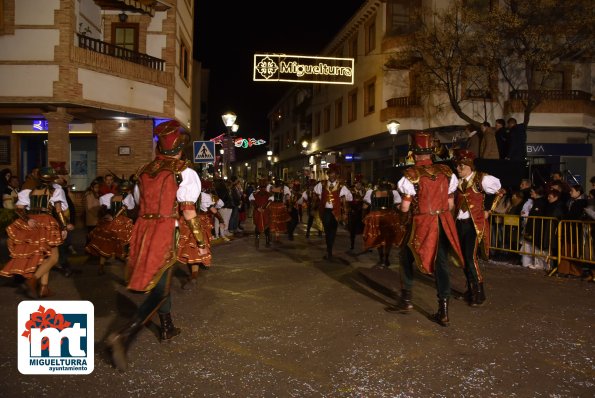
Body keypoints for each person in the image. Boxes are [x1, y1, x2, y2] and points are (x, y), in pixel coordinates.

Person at [106, 120, 203, 371]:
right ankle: (124, 335)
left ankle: (167, 327)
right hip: (165, 232)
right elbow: (189, 212)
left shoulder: (143, 171)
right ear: (181, 148)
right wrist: (201, 243)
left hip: (144, 230)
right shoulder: (184, 172)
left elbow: (135, 204)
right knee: (159, 289)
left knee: (162, 281)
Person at [392, 131, 464, 326]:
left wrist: (402, 215)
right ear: (431, 153)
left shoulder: (410, 175)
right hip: (442, 222)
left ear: (414, 154)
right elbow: (450, 205)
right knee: (441, 264)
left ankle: (406, 300)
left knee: (405, 256)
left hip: (421, 223)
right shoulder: (447, 172)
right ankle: (444, 311)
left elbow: (405, 207)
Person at [0, 167, 68, 298]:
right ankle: (32, 280)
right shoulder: (55, 190)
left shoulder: (29, 191)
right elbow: (58, 210)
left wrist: (28, 219)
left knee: (45, 256)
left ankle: (44, 288)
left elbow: (19, 209)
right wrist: (64, 227)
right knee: (54, 257)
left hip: (32, 221)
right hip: (46, 222)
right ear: (52, 179)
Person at [453, 149, 503, 306]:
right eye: (457, 166)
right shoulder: (458, 182)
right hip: (459, 224)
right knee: (463, 259)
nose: (458, 169)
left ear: (468, 165)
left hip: (474, 224)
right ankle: (470, 289)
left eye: (461, 166)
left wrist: (490, 210)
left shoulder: (481, 178)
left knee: (470, 257)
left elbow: (500, 192)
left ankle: (479, 293)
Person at [177, 178, 222, 288]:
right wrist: (221, 220)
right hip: (199, 222)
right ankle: (194, 274)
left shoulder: (181, 193)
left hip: (185, 222)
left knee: (186, 246)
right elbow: (214, 209)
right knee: (197, 246)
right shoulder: (205, 196)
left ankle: (193, 273)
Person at [85, 180, 135, 275]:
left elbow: (105, 208)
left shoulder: (112, 197)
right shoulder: (129, 197)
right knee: (125, 247)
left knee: (105, 245)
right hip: (122, 222)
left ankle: (101, 267)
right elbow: (129, 209)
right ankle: (126, 275)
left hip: (110, 222)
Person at [313, 164, 352, 260]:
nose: (332, 176)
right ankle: (329, 249)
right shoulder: (321, 184)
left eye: (334, 174)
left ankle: (329, 248)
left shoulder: (341, 186)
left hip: (335, 211)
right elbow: (315, 194)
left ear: (336, 175)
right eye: (330, 174)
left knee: (333, 231)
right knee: (327, 230)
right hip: (326, 211)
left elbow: (349, 197)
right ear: (328, 175)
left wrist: (344, 206)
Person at [362, 177, 402, 267]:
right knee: (388, 238)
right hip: (389, 216)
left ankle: (381, 258)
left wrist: (364, 217)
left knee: (379, 237)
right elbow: (399, 206)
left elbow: (365, 207)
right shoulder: (393, 193)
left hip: (375, 217)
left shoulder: (371, 192)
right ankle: (386, 258)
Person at [250, 178, 273, 248]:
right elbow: (270, 201)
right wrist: (262, 208)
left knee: (260, 225)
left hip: (260, 211)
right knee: (265, 225)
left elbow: (252, 201)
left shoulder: (254, 193)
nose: (263, 188)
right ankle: (266, 240)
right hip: (263, 211)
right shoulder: (268, 194)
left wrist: (259, 208)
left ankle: (259, 239)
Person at [347, 175, 367, 251]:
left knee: (364, 230)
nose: (358, 185)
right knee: (352, 230)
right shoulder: (351, 191)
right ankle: (352, 245)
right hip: (353, 213)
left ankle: (366, 246)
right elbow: (349, 201)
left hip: (362, 213)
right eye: (357, 183)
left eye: (360, 184)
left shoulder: (364, 191)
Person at [268, 179, 291, 243]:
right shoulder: (283, 188)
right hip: (279, 205)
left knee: (275, 220)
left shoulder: (272, 188)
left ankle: (275, 235)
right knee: (278, 221)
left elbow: (270, 194)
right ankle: (276, 236)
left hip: (275, 205)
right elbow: (287, 197)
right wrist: (288, 204)